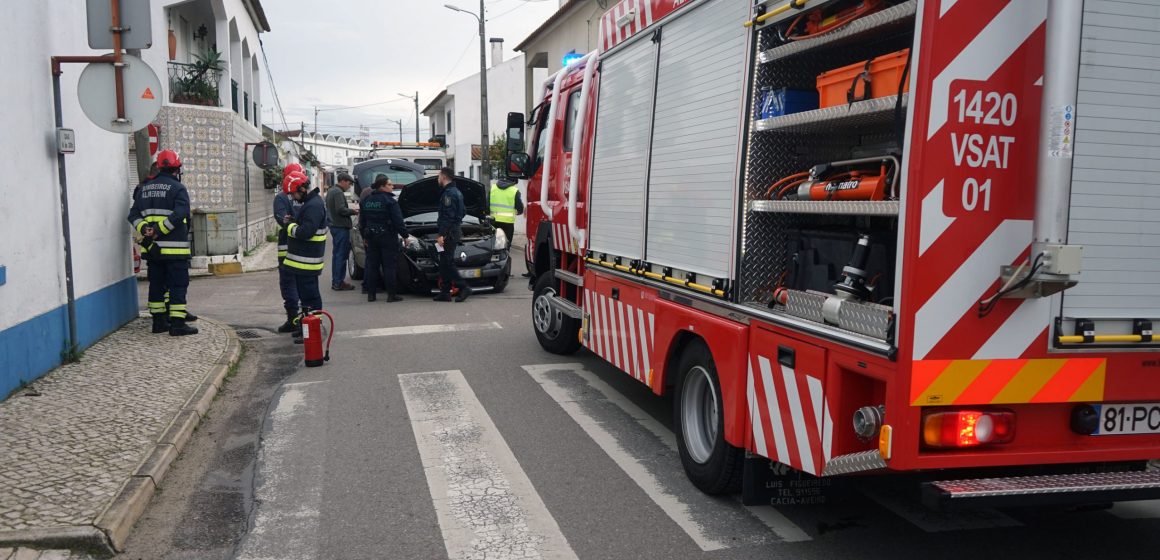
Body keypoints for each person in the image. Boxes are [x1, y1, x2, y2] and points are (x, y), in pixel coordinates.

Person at [128, 149, 197, 336]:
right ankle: (177, 324)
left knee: (157, 284)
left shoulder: (144, 188)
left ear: (158, 167)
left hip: (153, 249)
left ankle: (158, 323)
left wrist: (145, 229)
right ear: (177, 169)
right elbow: (181, 213)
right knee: (177, 285)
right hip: (175, 250)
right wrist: (159, 230)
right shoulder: (178, 189)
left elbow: (132, 215)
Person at [281, 171, 328, 343]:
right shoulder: (310, 203)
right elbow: (308, 224)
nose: (293, 197)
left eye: (293, 193)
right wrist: (295, 219)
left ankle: (313, 330)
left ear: (301, 188)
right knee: (306, 298)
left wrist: (290, 226)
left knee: (310, 297)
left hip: (307, 262)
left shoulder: (313, 205)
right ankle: (306, 327)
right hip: (304, 262)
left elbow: (306, 232)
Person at [360, 176, 408, 302]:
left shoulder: (366, 200)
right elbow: (398, 221)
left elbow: (362, 221)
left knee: (372, 266)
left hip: (371, 237)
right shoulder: (390, 201)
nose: (392, 187)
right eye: (390, 185)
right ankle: (391, 295)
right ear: (382, 186)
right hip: (387, 237)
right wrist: (405, 235)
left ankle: (371, 295)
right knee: (389, 266)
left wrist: (364, 236)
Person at [273, 163, 303, 333]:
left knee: (288, 284)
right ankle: (305, 320)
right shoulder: (309, 196)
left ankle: (293, 319)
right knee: (303, 285)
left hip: (287, 249)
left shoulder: (281, 197)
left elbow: (281, 220)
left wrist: (291, 223)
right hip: (305, 249)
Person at [434, 167, 471, 303]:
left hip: (448, 233)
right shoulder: (457, 192)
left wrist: (441, 235)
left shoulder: (448, 194)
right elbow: (463, 211)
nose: (437, 179)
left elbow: (447, 217)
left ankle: (463, 287)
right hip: (454, 231)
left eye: (438, 176)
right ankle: (445, 292)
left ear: (443, 177)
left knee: (447, 262)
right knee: (444, 262)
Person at [325, 172, 358, 291]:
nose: (349, 186)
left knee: (337, 255)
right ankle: (339, 282)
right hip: (340, 227)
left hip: (335, 226)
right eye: (349, 183)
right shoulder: (338, 192)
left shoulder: (331, 190)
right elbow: (341, 210)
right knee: (341, 255)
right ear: (343, 181)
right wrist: (353, 211)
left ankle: (337, 281)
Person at [489, 178, 523, 250]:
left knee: (494, 240)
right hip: (508, 222)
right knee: (507, 242)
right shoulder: (514, 190)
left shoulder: (493, 188)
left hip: (493, 221)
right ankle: (505, 255)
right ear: (513, 182)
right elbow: (519, 206)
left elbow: (486, 204)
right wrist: (520, 211)